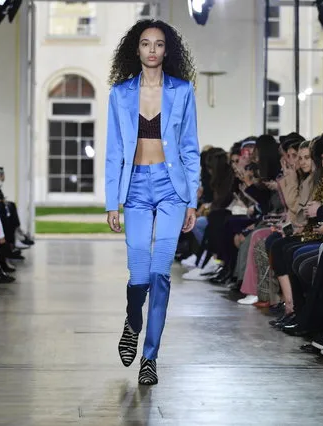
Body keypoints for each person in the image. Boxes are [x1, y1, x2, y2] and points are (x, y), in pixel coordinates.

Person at [105, 19, 200, 385]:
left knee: (161, 274)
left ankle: (150, 357)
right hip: (135, 189)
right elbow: (114, 151)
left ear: (167, 50)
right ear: (137, 49)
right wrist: (113, 202)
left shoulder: (183, 91)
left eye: (159, 44)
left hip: (171, 185)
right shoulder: (120, 94)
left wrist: (191, 198)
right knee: (139, 274)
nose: (152, 50)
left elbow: (190, 147)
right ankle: (133, 322)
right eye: (146, 44)